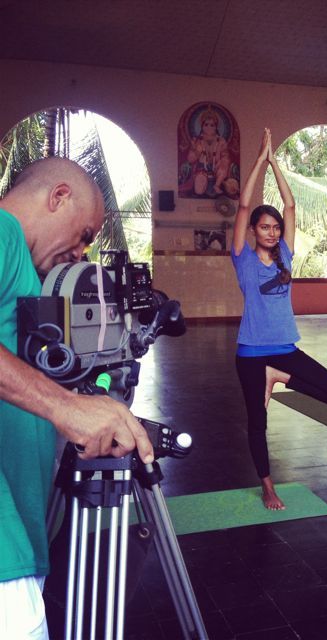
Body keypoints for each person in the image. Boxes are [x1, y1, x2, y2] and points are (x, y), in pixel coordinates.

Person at [0, 156, 155, 639]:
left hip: (20, 525)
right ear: (58, 196)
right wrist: (66, 408)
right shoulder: (3, 232)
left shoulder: (25, 264)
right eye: (85, 232)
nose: (83, 249)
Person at [231, 129, 327, 510]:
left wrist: (275, 160)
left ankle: (278, 376)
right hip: (251, 353)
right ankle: (267, 486)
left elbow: (292, 205)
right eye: (264, 227)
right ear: (253, 232)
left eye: (275, 227)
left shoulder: (285, 253)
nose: (271, 231)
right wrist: (258, 162)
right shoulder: (243, 258)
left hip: (284, 349)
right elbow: (244, 205)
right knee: (257, 424)